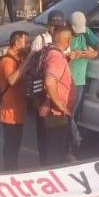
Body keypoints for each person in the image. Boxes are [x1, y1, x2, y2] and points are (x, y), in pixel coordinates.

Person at [35, 24, 76, 165]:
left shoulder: (47, 51)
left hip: (46, 110)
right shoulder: (56, 57)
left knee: (47, 152)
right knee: (56, 154)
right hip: (55, 114)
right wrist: (61, 106)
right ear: (69, 40)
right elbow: (50, 81)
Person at [0, 31, 31, 171]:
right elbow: (12, 79)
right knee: (11, 148)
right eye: (26, 42)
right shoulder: (7, 61)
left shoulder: (18, 59)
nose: (28, 45)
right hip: (9, 112)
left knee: (15, 147)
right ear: (16, 43)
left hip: (18, 111)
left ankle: (12, 170)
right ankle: (9, 172)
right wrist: (27, 61)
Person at [68, 11, 99, 119]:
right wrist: (71, 55)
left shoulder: (86, 32)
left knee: (76, 112)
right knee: (67, 113)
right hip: (66, 81)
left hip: (80, 81)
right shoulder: (64, 34)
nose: (78, 33)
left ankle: (74, 133)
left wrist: (93, 54)